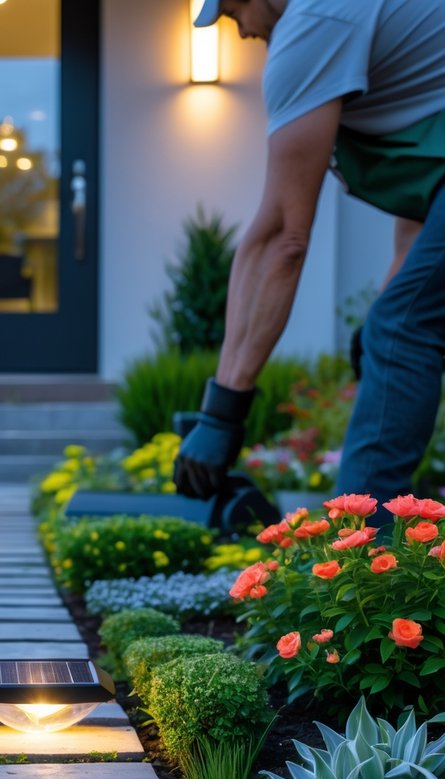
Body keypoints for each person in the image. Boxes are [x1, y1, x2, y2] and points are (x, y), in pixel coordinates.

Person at [173, 0, 445, 523]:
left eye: (231, 15)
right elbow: (424, 211)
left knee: (399, 329)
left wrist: (224, 409)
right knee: (393, 328)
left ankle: (363, 569)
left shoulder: (313, 25)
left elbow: (281, 237)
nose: (242, 33)